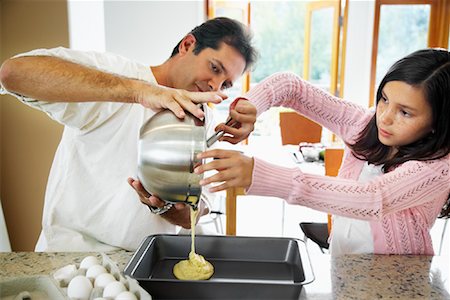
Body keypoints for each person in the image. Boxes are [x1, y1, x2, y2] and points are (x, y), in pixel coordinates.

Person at [0, 17, 258, 251]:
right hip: (74, 258)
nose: (215, 86)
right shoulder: (120, 75)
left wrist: (172, 210)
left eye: (225, 84)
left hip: (145, 263)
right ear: (187, 45)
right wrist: (140, 92)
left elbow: (196, 211)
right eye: (214, 68)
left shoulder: (204, 119)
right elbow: (14, 73)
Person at [195, 48, 450, 256]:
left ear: (438, 122)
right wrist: (251, 106)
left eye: (405, 112)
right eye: (384, 99)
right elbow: (291, 87)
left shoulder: (440, 167)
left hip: (399, 277)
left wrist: (259, 174)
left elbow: (373, 198)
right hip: (343, 260)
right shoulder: (365, 124)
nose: (384, 117)